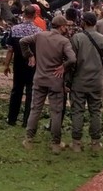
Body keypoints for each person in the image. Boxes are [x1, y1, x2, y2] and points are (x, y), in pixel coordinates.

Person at [20, 15, 76, 154]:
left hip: (39, 79)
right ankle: (56, 144)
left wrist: (29, 55)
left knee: (35, 109)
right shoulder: (64, 41)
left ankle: (29, 139)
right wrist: (64, 66)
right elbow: (73, 59)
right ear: (62, 26)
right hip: (55, 81)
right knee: (56, 112)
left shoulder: (40, 35)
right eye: (66, 26)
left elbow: (22, 41)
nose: (67, 28)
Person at [69, 12, 103, 153]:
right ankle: (96, 142)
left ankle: (76, 143)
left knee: (77, 111)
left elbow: (71, 61)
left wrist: (68, 80)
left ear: (84, 22)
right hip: (97, 81)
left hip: (79, 80)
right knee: (95, 111)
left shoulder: (76, 38)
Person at [3, 5, 42, 127]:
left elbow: (10, 50)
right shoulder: (39, 32)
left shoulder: (14, 30)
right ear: (35, 15)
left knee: (16, 90)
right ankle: (27, 121)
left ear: (23, 15)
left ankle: (12, 118)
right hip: (32, 65)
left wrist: (6, 65)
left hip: (18, 64)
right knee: (31, 92)